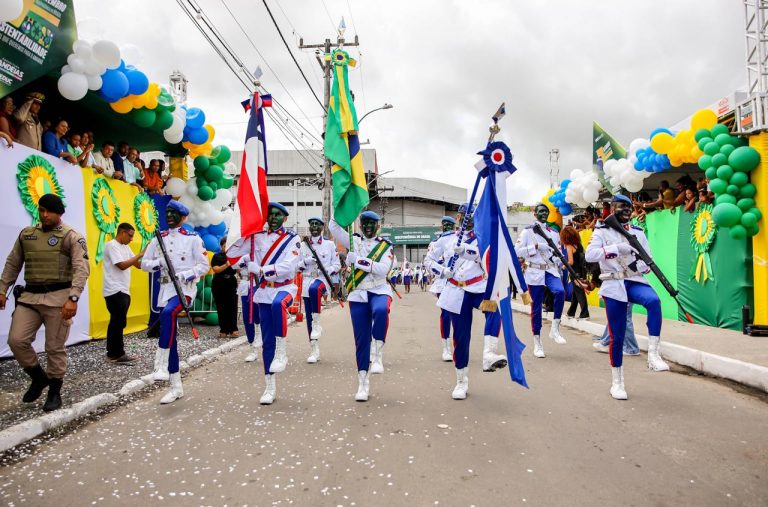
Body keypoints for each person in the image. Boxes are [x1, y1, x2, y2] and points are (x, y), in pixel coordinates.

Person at [0, 194, 90, 411]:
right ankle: (39, 378)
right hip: (30, 297)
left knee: (54, 347)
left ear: (59, 213)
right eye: (41, 210)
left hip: (59, 299)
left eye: (49, 211)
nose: (44, 214)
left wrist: (73, 298)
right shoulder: (27, 235)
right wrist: (2, 288)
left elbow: (81, 269)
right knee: (16, 340)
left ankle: (54, 391)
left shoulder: (72, 236)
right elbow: (13, 263)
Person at [586, 194, 670, 401]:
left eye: (629, 207)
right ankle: (617, 382)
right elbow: (590, 255)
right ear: (613, 208)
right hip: (613, 284)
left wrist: (634, 265)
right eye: (621, 207)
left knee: (653, 301)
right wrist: (615, 249)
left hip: (634, 280)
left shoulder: (638, 232)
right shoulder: (601, 231)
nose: (625, 211)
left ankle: (653, 354)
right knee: (618, 335)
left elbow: (647, 260)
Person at [232, 202, 301, 405]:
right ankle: (269, 387)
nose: (273, 218)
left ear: (285, 218)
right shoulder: (257, 237)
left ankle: (282, 351)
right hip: (263, 292)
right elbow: (234, 253)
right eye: (270, 215)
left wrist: (261, 270)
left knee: (278, 305)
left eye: (278, 215)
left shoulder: (292, 239)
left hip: (284, 288)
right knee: (267, 342)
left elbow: (289, 266)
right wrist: (244, 231)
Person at [140, 200, 209, 404]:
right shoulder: (158, 239)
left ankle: (158, 364)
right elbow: (143, 264)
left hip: (185, 289)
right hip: (165, 289)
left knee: (168, 313)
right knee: (172, 337)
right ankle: (175, 386)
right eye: (167, 212)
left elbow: (204, 266)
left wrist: (186, 274)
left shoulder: (193, 239)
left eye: (174, 213)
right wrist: (159, 262)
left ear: (183, 217)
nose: (169, 216)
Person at [435, 203, 507, 400]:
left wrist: (465, 250)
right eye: (465, 215)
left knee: (494, 311)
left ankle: (488, 355)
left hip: (477, 287)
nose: (469, 218)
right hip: (456, 290)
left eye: (473, 215)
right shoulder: (445, 239)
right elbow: (428, 261)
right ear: (458, 217)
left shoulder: (483, 237)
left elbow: (482, 256)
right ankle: (461, 381)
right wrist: (441, 271)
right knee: (461, 337)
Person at [330, 210, 395, 402]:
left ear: (378, 226)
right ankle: (363, 383)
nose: (368, 227)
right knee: (360, 340)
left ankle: (378, 351)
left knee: (381, 310)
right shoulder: (353, 240)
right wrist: (344, 204)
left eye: (372, 223)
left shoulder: (386, 246)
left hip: (379, 289)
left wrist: (358, 261)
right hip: (358, 293)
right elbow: (333, 226)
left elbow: (383, 269)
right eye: (364, 222)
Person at [515, 203, 568, 358]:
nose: (544, 213)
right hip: (534, 271)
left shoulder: (554, 232)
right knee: (536, 307)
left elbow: (557, 251)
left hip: (550, 269)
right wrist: (535, 247)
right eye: (541, 211)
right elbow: (517, 251)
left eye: (546, 211)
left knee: (560, 292)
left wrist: (561, 262)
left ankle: (555, 328)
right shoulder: (527, 232)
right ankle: (537, 341)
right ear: (535, 214)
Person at [298, 217, 340, 364]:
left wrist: (327, 269)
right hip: (306, 280)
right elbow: (296, 266)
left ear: (322, 227)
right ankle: (314, 350)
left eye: (317, 224)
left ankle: (318, 324)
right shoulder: (303, 245)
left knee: (315, 289)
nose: (314, 226)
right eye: (312, 224)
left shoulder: (329, 245)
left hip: (322, 280)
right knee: (308, 317)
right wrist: (305, 262)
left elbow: (337, 265)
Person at [102, 223, 144, 364]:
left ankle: (114, 353)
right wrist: (140, 254)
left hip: (123, 290)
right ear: (122, 233)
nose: (132, 239)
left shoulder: (125, 247)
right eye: (130, 235)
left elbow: (137, 265)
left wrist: (150, 257)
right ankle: (116, 354)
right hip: (114, 290)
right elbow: (122, 265)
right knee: (117, 322)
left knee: (118, 322)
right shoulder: (111, 245)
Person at [425, 215, 458, 361]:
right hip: (443, 281)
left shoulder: (458, 239)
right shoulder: (437, 242)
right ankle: (446, 347)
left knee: (458, 315)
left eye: (449, 225)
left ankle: (459, 345)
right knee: (446, 314)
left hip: (459, 281)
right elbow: (430, 260)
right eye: (445, 225)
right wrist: (441, 270)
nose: (447, 227)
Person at [211, 238, 239, 337]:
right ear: (221, 246)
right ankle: (223, 330)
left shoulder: (234, 256)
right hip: (219, 282)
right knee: (221, 306)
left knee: (232, 306)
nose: (226, 248)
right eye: (224, 245)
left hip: (231, 282)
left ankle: (233, 329)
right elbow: (216, 269)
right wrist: (226, 264)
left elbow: (238, 269)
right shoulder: (216, 256)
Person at [236, 250, 262, 363]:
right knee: (247, 318)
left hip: (257, 284)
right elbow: (235, 267)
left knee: (259, 316)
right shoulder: (240, 250)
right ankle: (252, 349)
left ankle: (263, 340)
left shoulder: (260, 249)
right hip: (245, 285)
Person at [561, 225, 589, 320]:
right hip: (582, 271)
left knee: (579, 293)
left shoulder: (569, 246)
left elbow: (571, 262)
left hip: (574, 272)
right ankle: (571, 313)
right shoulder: (579, 245)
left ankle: (585, 314)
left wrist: (564, 265)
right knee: (575, 293)